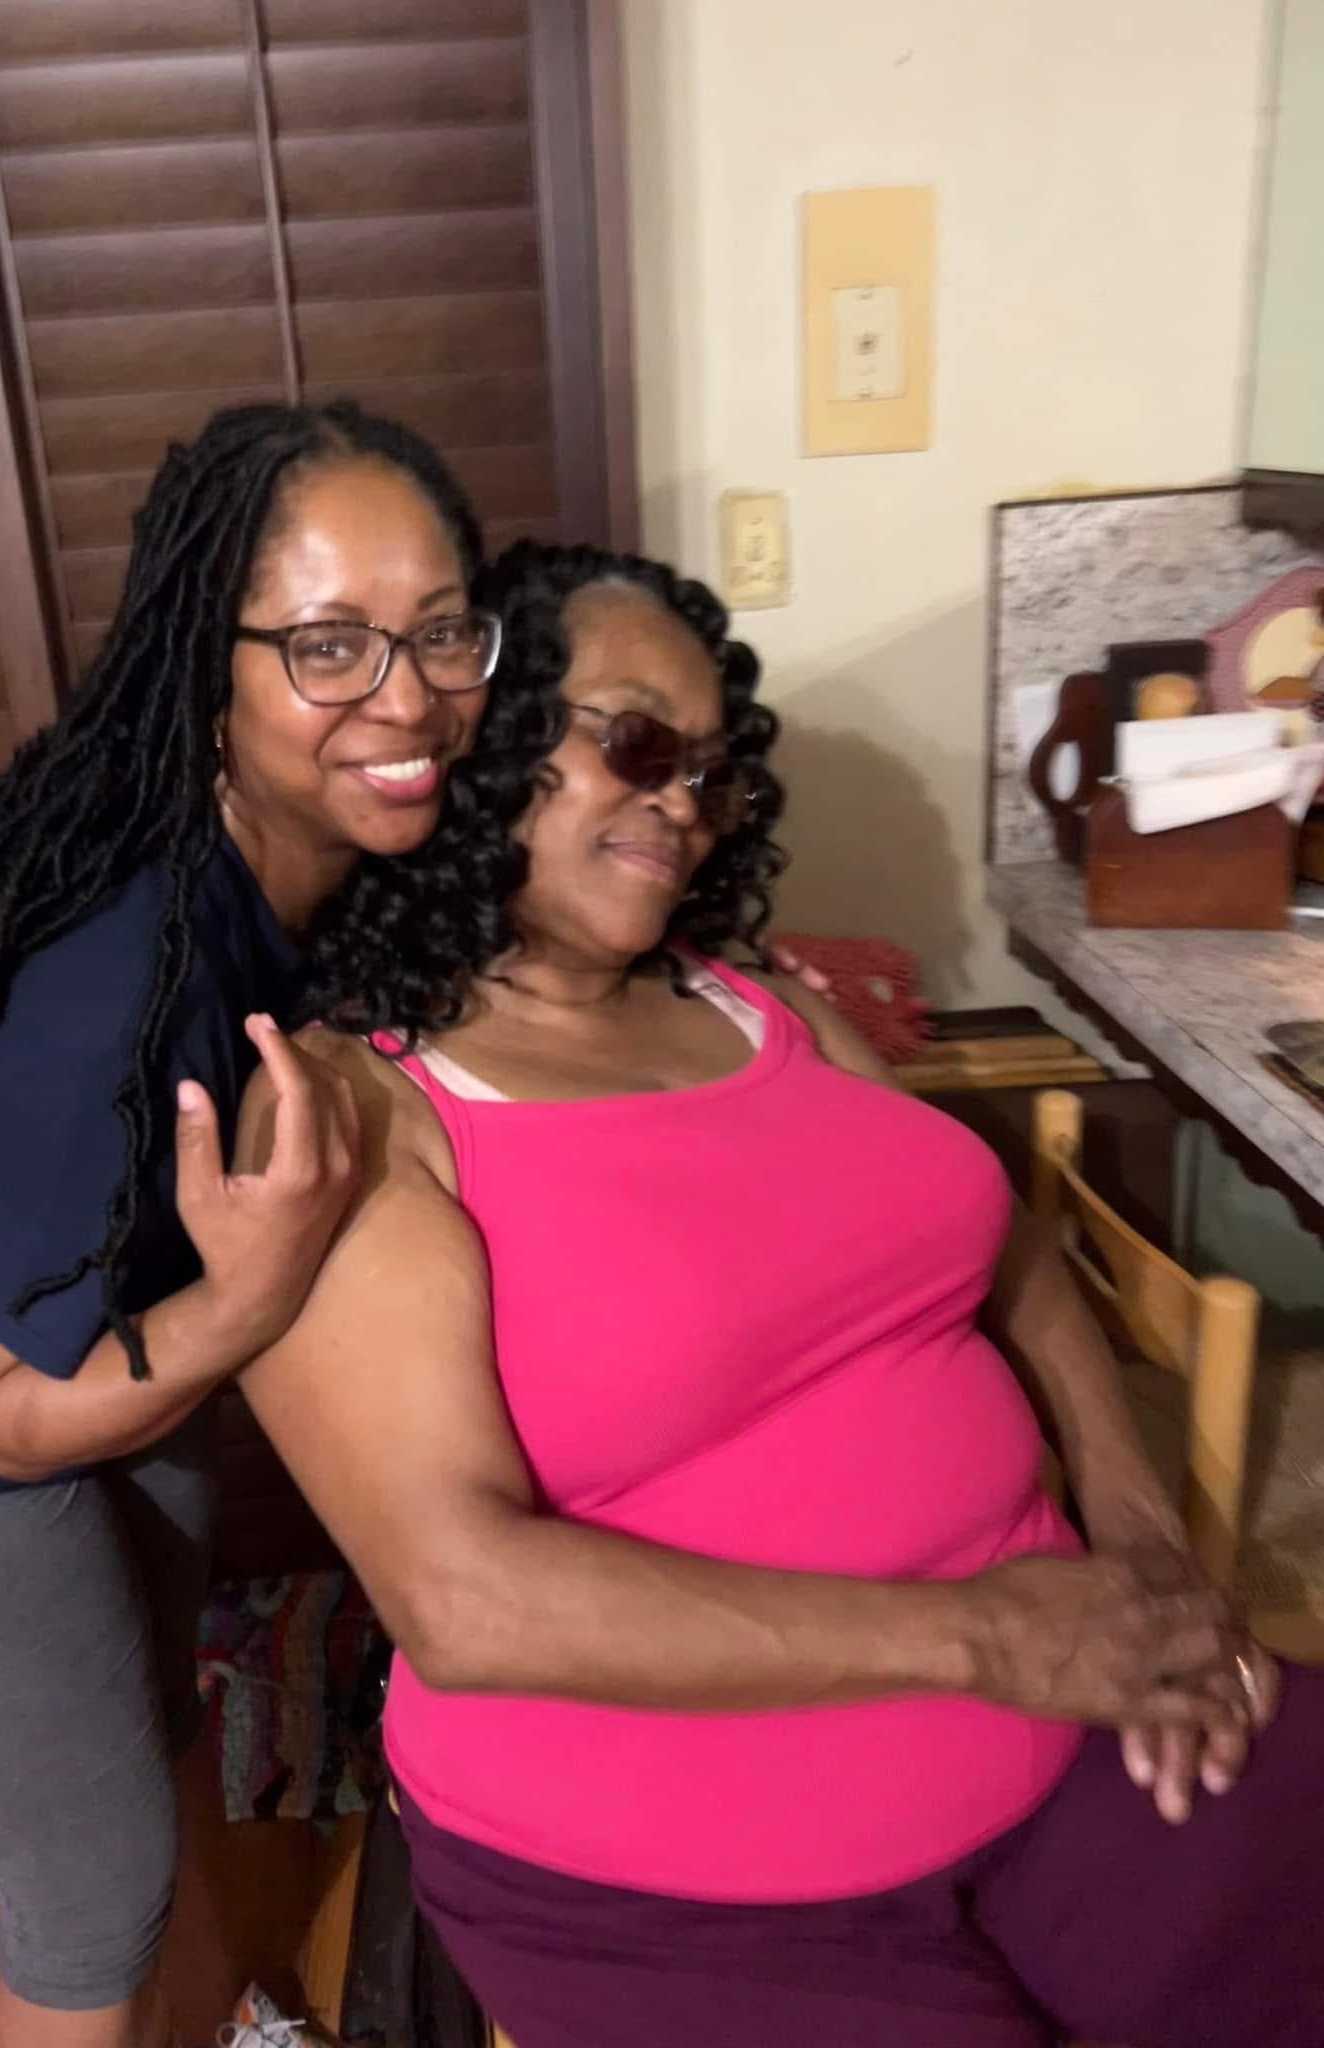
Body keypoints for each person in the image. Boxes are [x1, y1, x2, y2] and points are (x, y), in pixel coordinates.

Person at [234, 539, 1324, 2048]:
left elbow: (1002, 1252)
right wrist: (989, 1640)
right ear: (476, 741)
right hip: (670, 1878)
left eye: (714, 770)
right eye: (637, 740)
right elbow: (462, 1600)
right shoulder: (365, 1113)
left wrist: (1137, 1529)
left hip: (1072, 1712)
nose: (683, 796)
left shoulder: (768, 1008)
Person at [0, 400, 506, 2048]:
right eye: (327, 647)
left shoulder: (292, 848)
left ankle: (218, 2024)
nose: (407, 702)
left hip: (75, 1334)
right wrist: (246, 1297)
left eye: (440, 631)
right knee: (86, 1890)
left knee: (158, 1726)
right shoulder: (109, 970)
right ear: (211, 661)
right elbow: (17, 1419)